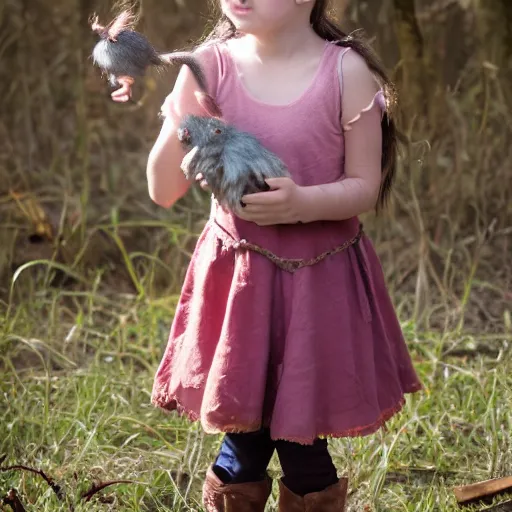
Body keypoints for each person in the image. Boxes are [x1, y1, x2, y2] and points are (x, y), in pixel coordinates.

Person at [116, 0, 423, 510]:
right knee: (251, 423)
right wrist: (184, 111)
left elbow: (365, 187)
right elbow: (162, 189)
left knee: (288, 430)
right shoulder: (208, 66)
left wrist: (303, 203)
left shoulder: (344, 71)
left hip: (318, 283)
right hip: (238, 285)